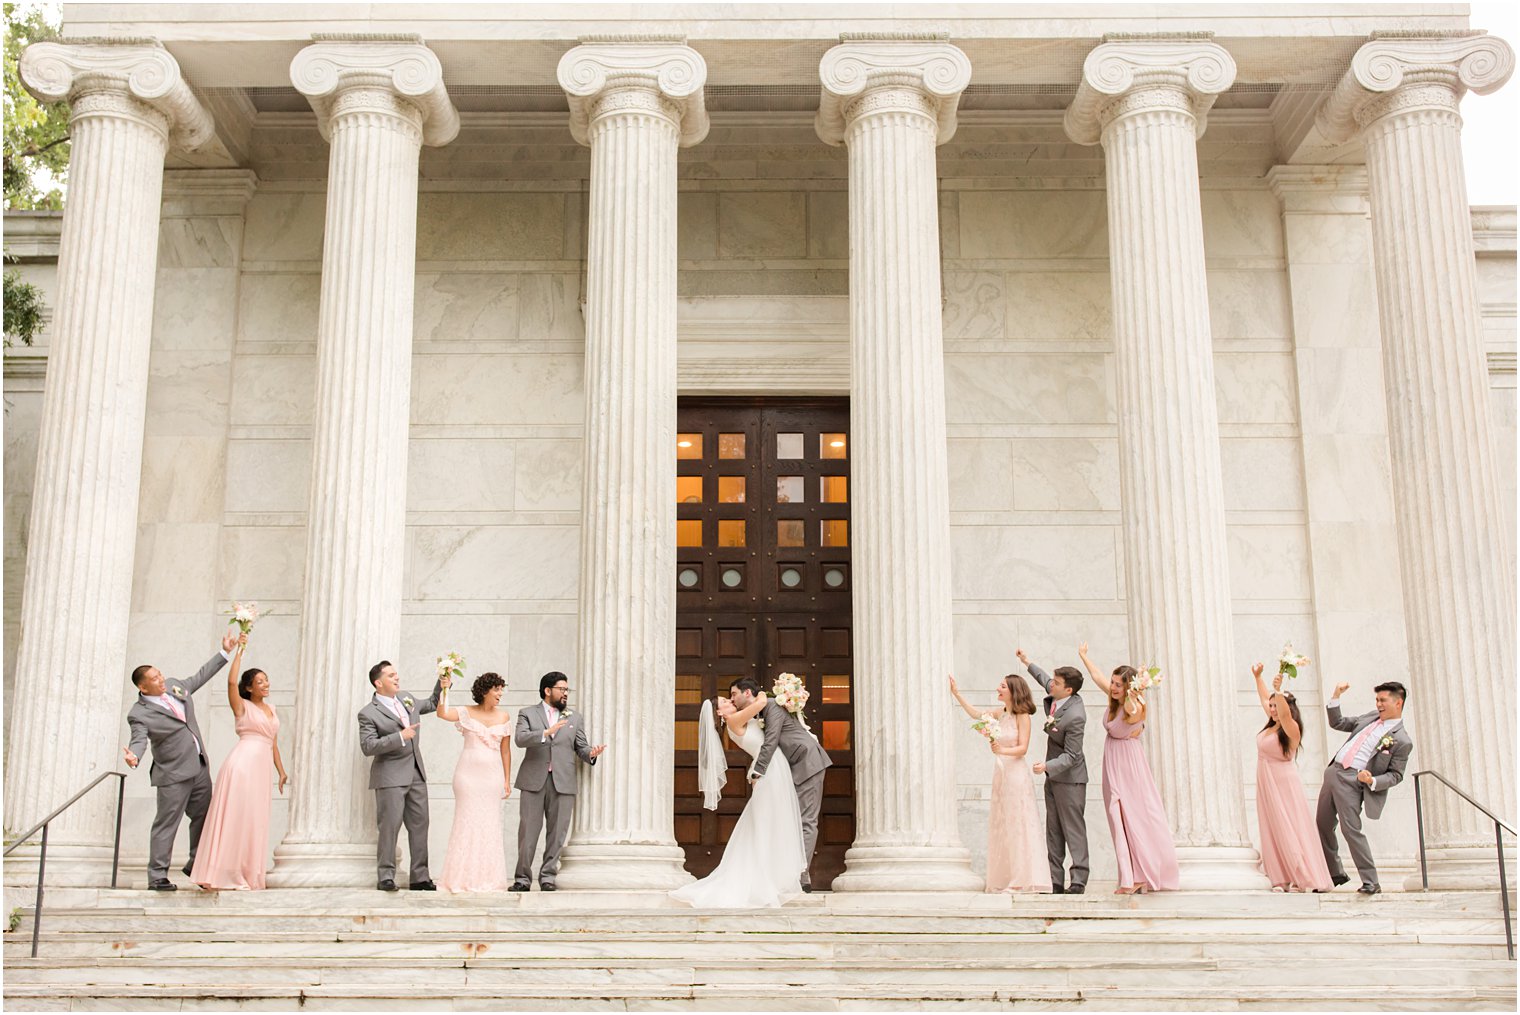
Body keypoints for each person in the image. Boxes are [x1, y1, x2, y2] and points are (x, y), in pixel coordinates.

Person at [123, 628, 239, 890]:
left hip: (198, 766)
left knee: (204, 817)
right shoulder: (139, 714)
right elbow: (139, 739)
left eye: (160, 673)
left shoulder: (175, 686)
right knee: (167, 823)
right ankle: (157, 876)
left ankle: (196, 863)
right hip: (173, 774)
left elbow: (199, 677)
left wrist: (224, 652)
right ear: (143, 687)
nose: (161, 678)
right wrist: (134, 756)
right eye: (154, 678)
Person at [670, 691, 806, 908]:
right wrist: (774, 692)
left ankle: (770, 876)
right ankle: (764, 881)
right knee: (763, 826)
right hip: (767, 773)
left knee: (765, 825)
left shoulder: (740, 718)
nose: (731, 701)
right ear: (719, 713)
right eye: (725, 701)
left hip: (772, 769)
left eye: (730, 697)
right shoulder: (734, 720)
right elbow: (761, 701)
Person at [1077, 641, 1179, 894]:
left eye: (1118, 684)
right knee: (1118, 819)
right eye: (1113, 683)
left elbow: (1133, 712)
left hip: (1129, 766)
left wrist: (1133, 696)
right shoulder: (1114, 700)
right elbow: (1097, 677)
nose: (1112, 687)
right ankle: (1132, 875)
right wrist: (1084, 656)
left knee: (1130, 817)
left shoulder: (1135, 705)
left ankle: (1136, 877)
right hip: (1113, 762)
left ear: (1129, 687)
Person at [190, 633, 289, 890]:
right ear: (249, 687)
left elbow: (273, 742)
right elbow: (231, 682)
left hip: (262, 767)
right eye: (259, 681)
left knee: (255, 820)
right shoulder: (242, 706)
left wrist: (281, 771)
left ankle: (248, 871)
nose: (265, 684)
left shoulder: (273, 709)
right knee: (237, 815)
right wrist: (239, 652)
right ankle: (222, 872)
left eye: (266, 680)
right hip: (243, 764)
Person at [949, 672, 1052, 894]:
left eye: (1002, 686)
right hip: (1001, 773)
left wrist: (1001, 749)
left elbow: (1022, 748)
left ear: (1013, 691)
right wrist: (957, 694)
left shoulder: (1022, 716)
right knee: (1003, 825)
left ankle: (1020, 879)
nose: (998, 688)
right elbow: (977, 714)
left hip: (1015, 773)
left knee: (1017, 824)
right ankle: (1005, 878)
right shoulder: (1001, 713)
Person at [1316, 680, 1413, 895]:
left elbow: (1396, 775)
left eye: (1383, 700)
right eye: (1377, 700)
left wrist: (1372, 781)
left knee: (1350, 829)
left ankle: (1371, 881)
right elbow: (1339, 723)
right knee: (1322, 824)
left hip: (1353, 781)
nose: (1378, 704)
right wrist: (1336, 697)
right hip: (1333, 772)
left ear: (1398, 703)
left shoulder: (1402, 740)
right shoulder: (1370, 717)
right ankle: (1334, 873)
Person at [736, 676, 832, 892]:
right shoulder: (760, 712)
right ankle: (788, 872)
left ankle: (801, 876)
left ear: (747, 693)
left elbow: (771, 740)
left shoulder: (772, 707)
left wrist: (757, 771)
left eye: (734, 694)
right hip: (793, 769)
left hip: (808, 763)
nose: (732, 700)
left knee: (806, 820)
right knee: (791, 821)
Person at [512, 671, 606, 891]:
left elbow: (580, 747)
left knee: (557, 834)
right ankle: (522, 879)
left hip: (563, 782)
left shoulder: (574, 717)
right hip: (533, 781)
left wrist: (591, 753)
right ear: (548, 690)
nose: (565, 693)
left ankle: (548, 877)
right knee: (528, 832)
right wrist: (546, 732)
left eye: (567, 690)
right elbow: (520, 739)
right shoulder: (527, 713)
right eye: (561, 689)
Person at [358, 660, 444, 891]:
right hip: (390, 776)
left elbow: (432, 703)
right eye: (391, 675)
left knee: (420, 825)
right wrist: (399, 737)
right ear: (378, 683)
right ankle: (386, 876)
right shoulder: (368, 713)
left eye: (396, 674)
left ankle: (420, 877)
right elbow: (368, 746)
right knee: (390, 826)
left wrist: (442, 684)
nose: (397, 678)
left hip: (416, 772)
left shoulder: (406, 698)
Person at [1249, 662, 1332, 892]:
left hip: (1284, 782)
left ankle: (1301, 876)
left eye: (1276, 706)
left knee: (1291, 825)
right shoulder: (1272, 723)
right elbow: (1266, 699)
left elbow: (1283, 713)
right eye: (1272, 706)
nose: (1272, 709)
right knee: (1272, 825)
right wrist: (1258, 678)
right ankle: (1280, 877)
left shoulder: (1290, 727)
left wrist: (1279, 690)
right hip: (1266, 780)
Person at [1017, 648, 1089, 894]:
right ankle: (1054, 880)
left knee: (1073, 828)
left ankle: (1078, 880)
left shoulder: (1076, 716)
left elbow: (1073, 755)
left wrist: (1047, 766)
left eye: (1056, 684)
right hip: (1053, 778)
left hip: (1070, 779)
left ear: (1068, 690)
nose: (1051, 686)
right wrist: (1028, 661)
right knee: (1053, 829)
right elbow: (1045, 679)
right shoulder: (1060, 694)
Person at [436, 672, 513, 892]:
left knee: (489, 825)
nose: (500, 694)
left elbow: (506, 752)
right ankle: (459, 878)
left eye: (501, 689)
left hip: (492, 777)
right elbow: (442, 713)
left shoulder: (504, 717)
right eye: (496, 689)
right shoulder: (466, 712)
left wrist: (507, 780)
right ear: (485, 691)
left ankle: (488, 879)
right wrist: (445, 688)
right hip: (467, 777)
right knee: (466, 823)